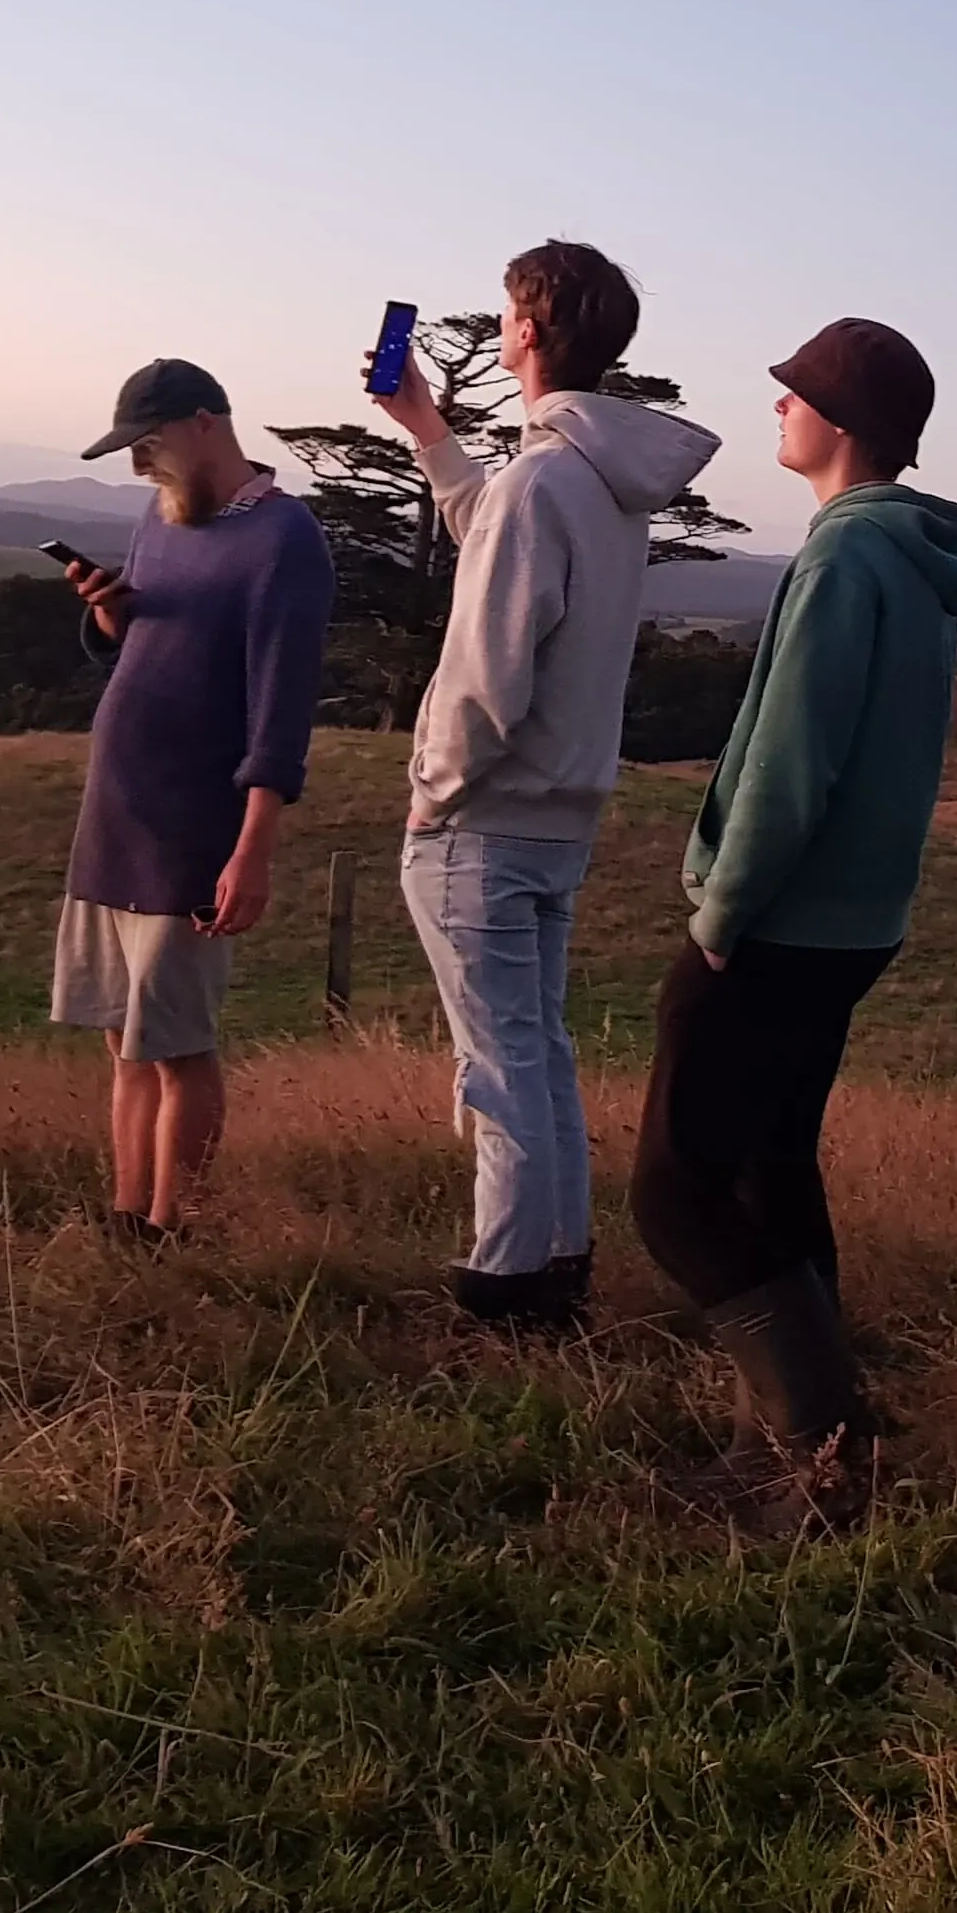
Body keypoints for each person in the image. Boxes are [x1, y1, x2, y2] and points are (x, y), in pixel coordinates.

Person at [630, 319, 957, 1523]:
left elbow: (793, 759)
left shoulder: (845, 555)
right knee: (772, 1169)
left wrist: (724, 909)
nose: (777, 410)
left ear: (839, 421)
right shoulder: (916, 559)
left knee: (673, 1193)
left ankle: (824, 1448)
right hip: (856, 921)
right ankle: (812, 1453)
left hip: (779, 922)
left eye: (794, 395)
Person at [369, 241, 719, 1331]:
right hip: (562, 817)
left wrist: (434, 787)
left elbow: (486, 672)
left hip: (484, 821)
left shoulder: (541, 482)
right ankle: (555, 1260)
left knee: (502, 1062)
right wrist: (428, 431)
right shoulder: (603, 485)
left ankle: (512, 1282)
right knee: (537, 1047)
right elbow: (500, 542)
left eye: (509, 312)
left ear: (526, 328)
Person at [52, 357, 335, 1241]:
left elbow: (280, 709)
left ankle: (174, 1233)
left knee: (176, 1045)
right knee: (120, 1038)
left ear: (205, 423)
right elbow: (145, 643)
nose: (141, 465)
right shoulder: (162, 516)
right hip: (115, 815)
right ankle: (127, 1216)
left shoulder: (286, 539)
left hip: (193, 830)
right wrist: (107, 615)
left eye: (150, 443)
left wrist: (252, 848)